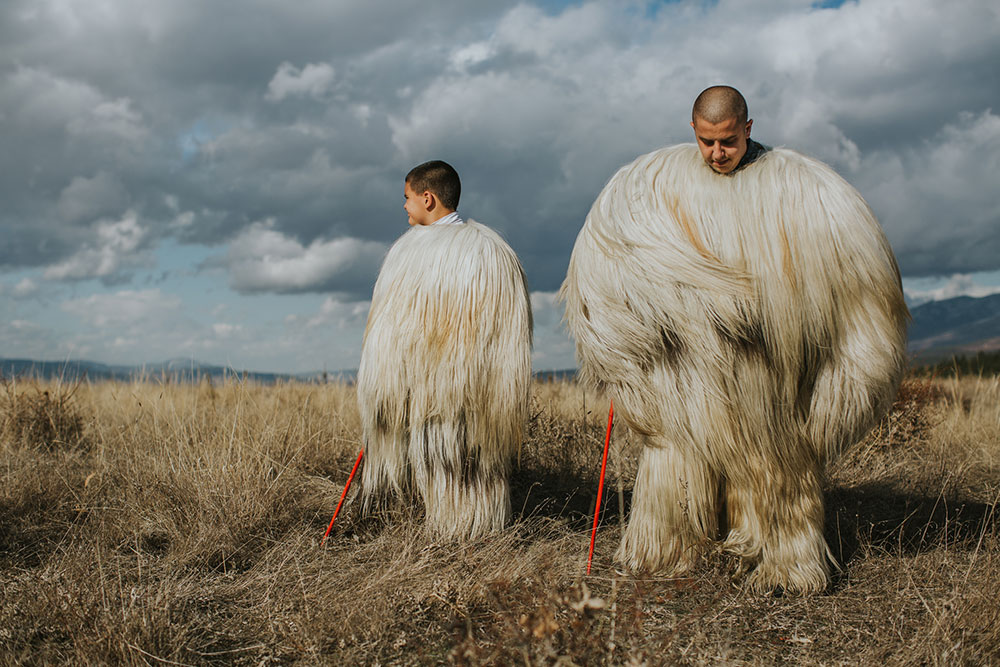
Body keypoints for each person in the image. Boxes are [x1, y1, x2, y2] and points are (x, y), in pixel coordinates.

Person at [559, 86, 908, 593]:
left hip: (766, 363)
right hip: (688, 366)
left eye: (727, 142)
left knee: (769, 453)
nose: (717, 154)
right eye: (705, 143)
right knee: (676, 451)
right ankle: (667, 546)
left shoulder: (802, 191)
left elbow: (858, 294)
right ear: (693, 131)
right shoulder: (648, 188)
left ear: (747, 128)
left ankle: (787, 564)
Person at [356, 160, 533, 540]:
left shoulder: (411, 254)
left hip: (431, 387)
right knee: (474, 459)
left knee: (439, 452)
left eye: (406, 198)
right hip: (479, 385)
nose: (403, 207)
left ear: (427, 198)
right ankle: (480, 531)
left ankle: (449, 535)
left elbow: (392, 328)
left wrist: (385, 392)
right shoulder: (493, 253)